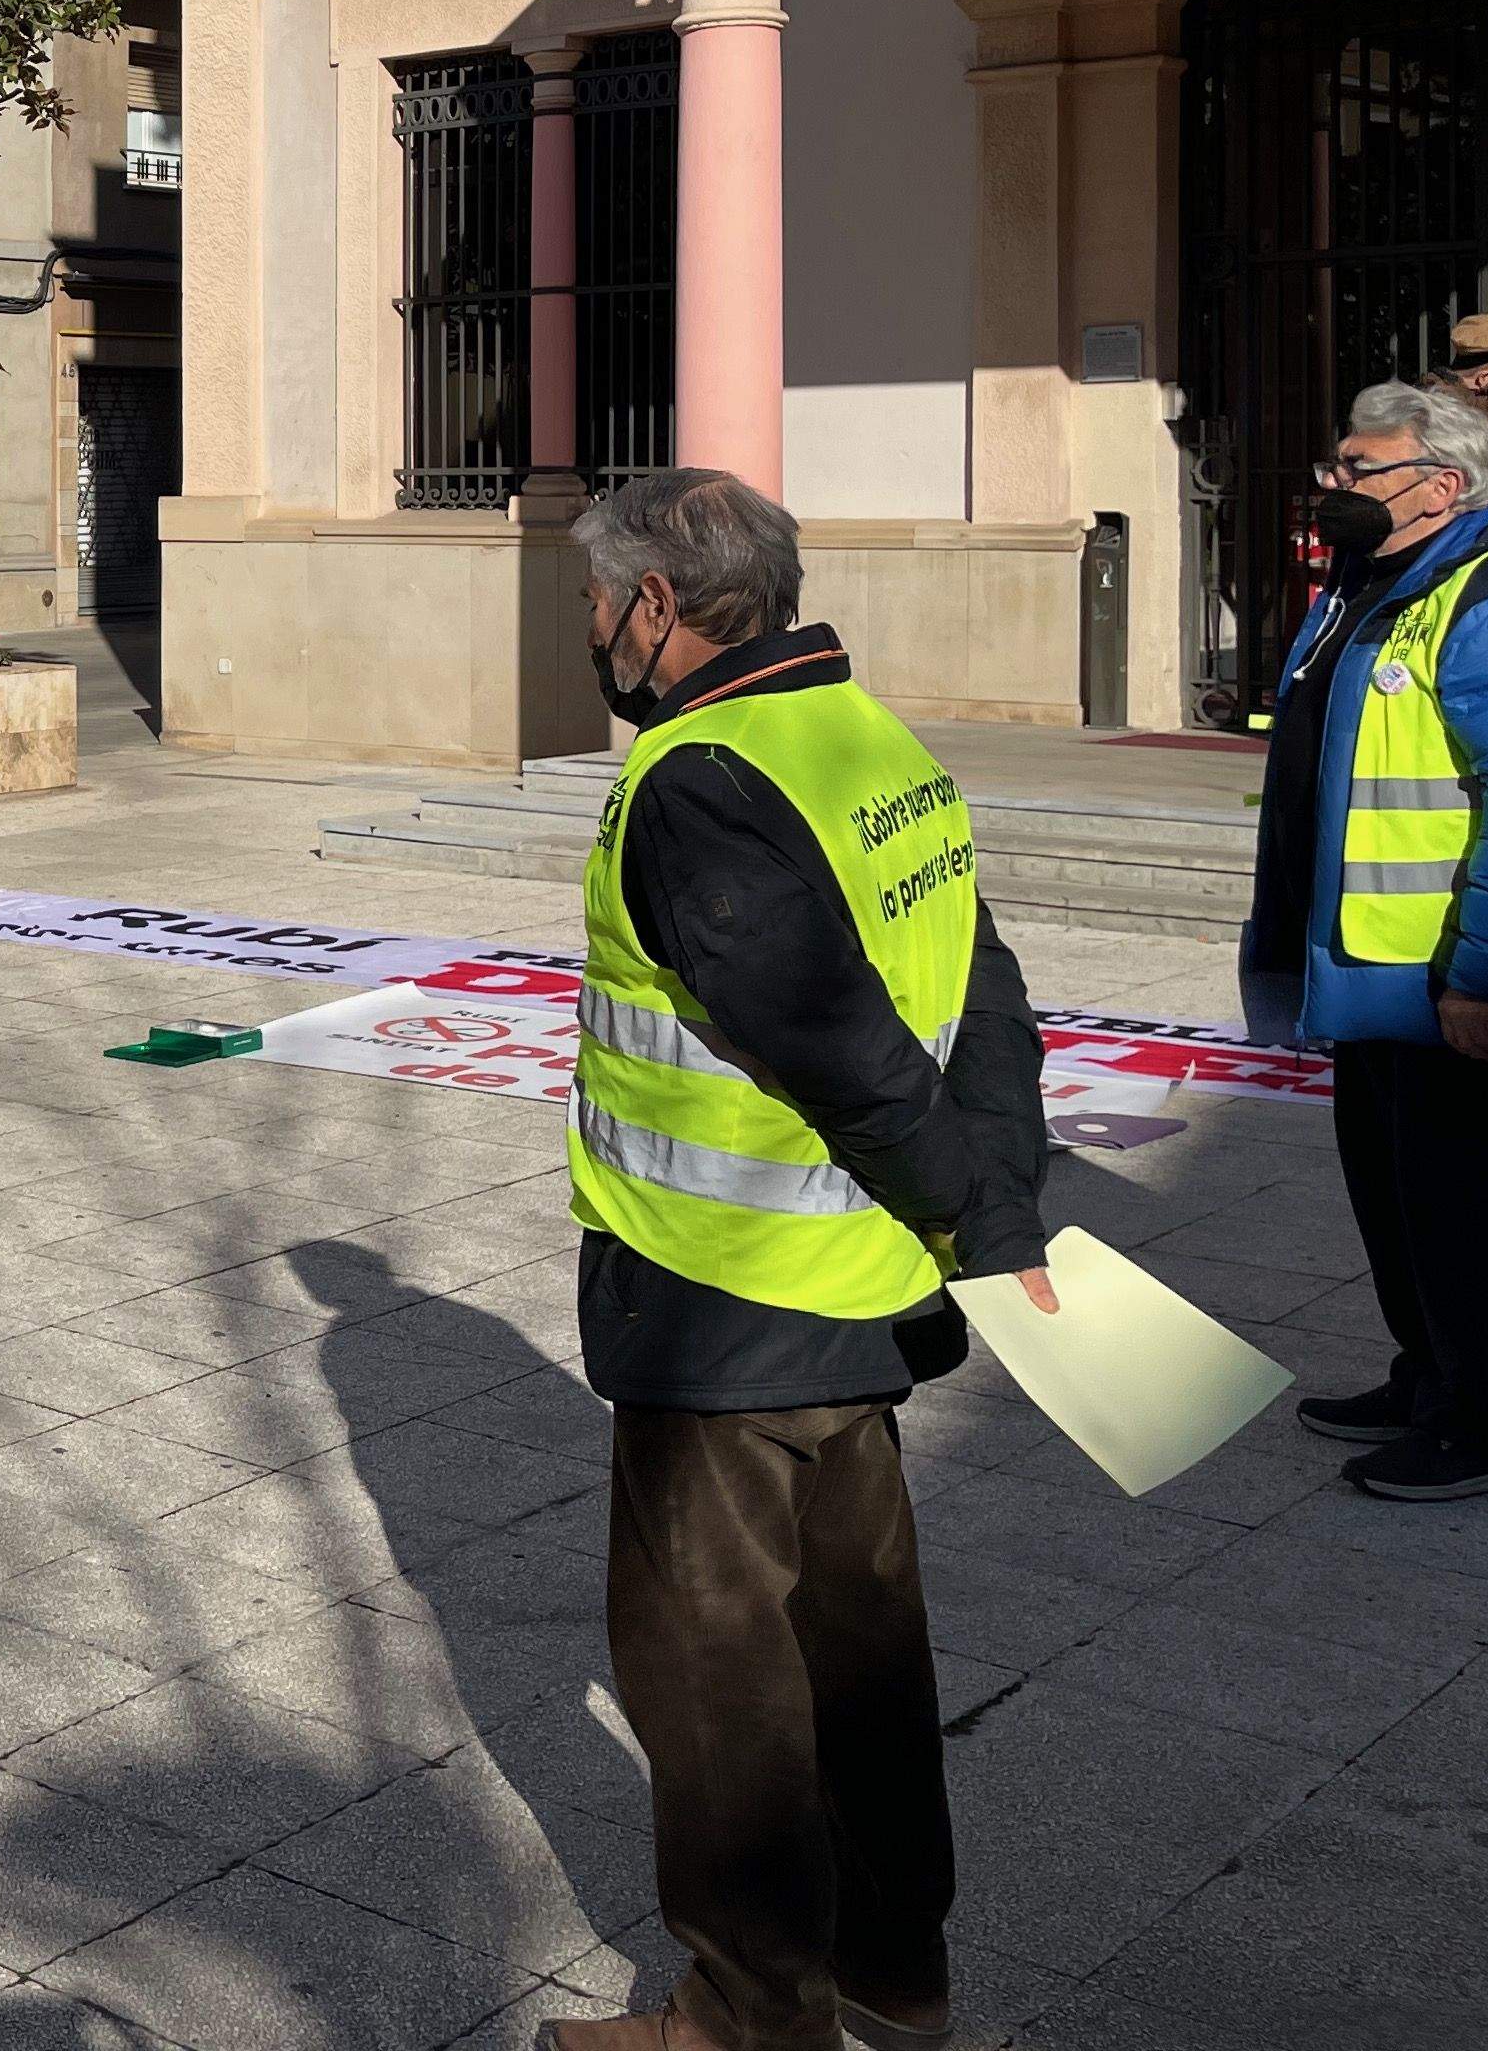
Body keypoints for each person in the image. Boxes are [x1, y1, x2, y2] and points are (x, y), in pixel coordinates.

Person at [544, 467, 1052, 2051]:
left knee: (719, 1684)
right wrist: (993, 1204)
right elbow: (988, 1000)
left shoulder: (702, 779)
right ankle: (897, 1969)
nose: (590, 636)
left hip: (723, 1309)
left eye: (593, 606)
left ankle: (749, 2014)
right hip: (864, 1297)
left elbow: (837, 1044)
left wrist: (974, 1210)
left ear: (654, 610)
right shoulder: (866, 739)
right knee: (863, 1661)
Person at [1241, 379, 1488, 1504]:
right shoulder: (1372, 588)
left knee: (1464, 1207)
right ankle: (1425, 1374)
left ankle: (1482, 1423)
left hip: (1445, 978)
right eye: (1337, 468)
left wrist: (1487, 974)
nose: (1334, 488)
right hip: (1369, 968)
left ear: (1442, 485)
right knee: (1394, 1194)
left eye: (1357, 471)